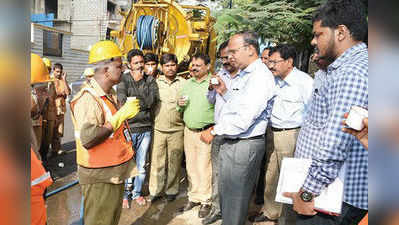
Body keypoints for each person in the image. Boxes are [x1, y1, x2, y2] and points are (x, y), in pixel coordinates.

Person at [283, 1, 368, 224]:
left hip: (333, 197)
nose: (313, 41)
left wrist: (308, 191)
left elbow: (336, 142)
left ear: (341, 32)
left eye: (318, 34)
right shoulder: (340, 68)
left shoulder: (351, 73)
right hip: (328, 190)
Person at [201, 31, 275, 225]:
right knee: (228, 198)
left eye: (233, 51)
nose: (230, 57)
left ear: (250, 49)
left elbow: (243, 119)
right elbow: (236, 104)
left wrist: (214, 130)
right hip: (233, 141)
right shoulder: (246, 74)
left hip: (244, 143)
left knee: (236, 201)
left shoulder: (259, 77)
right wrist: (224, 91)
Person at [70, 40, 140, 225]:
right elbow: (89, 138)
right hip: (99, 175)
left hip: (112, 171)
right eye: (119, 65)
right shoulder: (88, 99)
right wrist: (120, 116)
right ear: (105, 70)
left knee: (110, 220)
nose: (123, 69)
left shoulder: (109, 95)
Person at [249, 44, 314, 224]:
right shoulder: (272, 80)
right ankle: (271, 212)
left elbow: (311, 113)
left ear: (289, 62)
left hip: (291, 135)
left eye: (275, 62)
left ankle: (287, 218)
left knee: (289, 178)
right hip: (271, 132)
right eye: (269, 62)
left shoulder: (304, 82)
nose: (271, 66)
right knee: (271, 175)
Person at [202, 40, 239, 225]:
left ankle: (232, 213)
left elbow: (241, 109)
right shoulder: (220, 74)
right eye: (222, 58)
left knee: (235, 177)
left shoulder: (244, 78)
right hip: (218, 132)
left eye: (228, 57)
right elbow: (210, 101)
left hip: (237, 135)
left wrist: (224, 90)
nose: (225, 61)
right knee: (217, 174)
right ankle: (217, 209)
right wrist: (211, 89)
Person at [117, 49, 159, 207]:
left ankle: (137, 193)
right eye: (136, 63)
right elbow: (122, 103)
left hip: (145, 129)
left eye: (142, 62)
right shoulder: (124, 79)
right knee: (128, 163)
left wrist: (139, 88)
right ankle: (125, 195)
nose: (140, 66)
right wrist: (138, 102)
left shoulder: (149, 80)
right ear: (129, 65)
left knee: (141, 164)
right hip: (129, 128)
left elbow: (151, 102)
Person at [177, 53, 215, 218]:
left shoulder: (213, 83)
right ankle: (194, 197)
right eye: (193, 65)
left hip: (205, 132)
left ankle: (206, 201)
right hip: (189, 131)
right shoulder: (187, 84)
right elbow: (180, 107)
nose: (193, 68)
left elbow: (222, 107)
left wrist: (214, 129)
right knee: (191, 167)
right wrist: (179, 105)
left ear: (208, 66)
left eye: (198, 65)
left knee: (204, 167)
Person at [149, 53, 186, 202]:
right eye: (167, 65)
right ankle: (156, 190)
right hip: (159, 128)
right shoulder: (155, 83)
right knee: (157, 161)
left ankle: (172, 190)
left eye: (172, 65)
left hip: (177, 129)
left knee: (174, 161)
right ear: (162, 67)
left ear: (176, 66)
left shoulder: (184, 83)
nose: (170, 68)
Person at [52, 63, 70, 155]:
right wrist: (60, 94)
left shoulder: (62, 81)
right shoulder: (51, 81)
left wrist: (65, 79)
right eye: (57, 71)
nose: (59, 73)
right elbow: (53, 94)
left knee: (59, 130)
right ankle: (48, 151)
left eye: (60, 71)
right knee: (51, 130)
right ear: (53, 71)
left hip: (61, 109)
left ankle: (57, 149)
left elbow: (68, 92)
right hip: (52, 109)